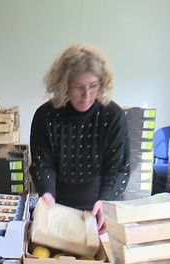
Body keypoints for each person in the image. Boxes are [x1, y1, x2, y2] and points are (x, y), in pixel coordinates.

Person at [29, 44, 130, 234]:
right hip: (56, 206)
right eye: (78, 88)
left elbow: (118, 169)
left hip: (97, 206)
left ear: (102, 83)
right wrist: (47, 194)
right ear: (63, 85)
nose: (86, 96)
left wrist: (106, 200)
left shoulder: (113, 116)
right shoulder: (46, 116)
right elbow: (42, 163)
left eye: (93, 86)